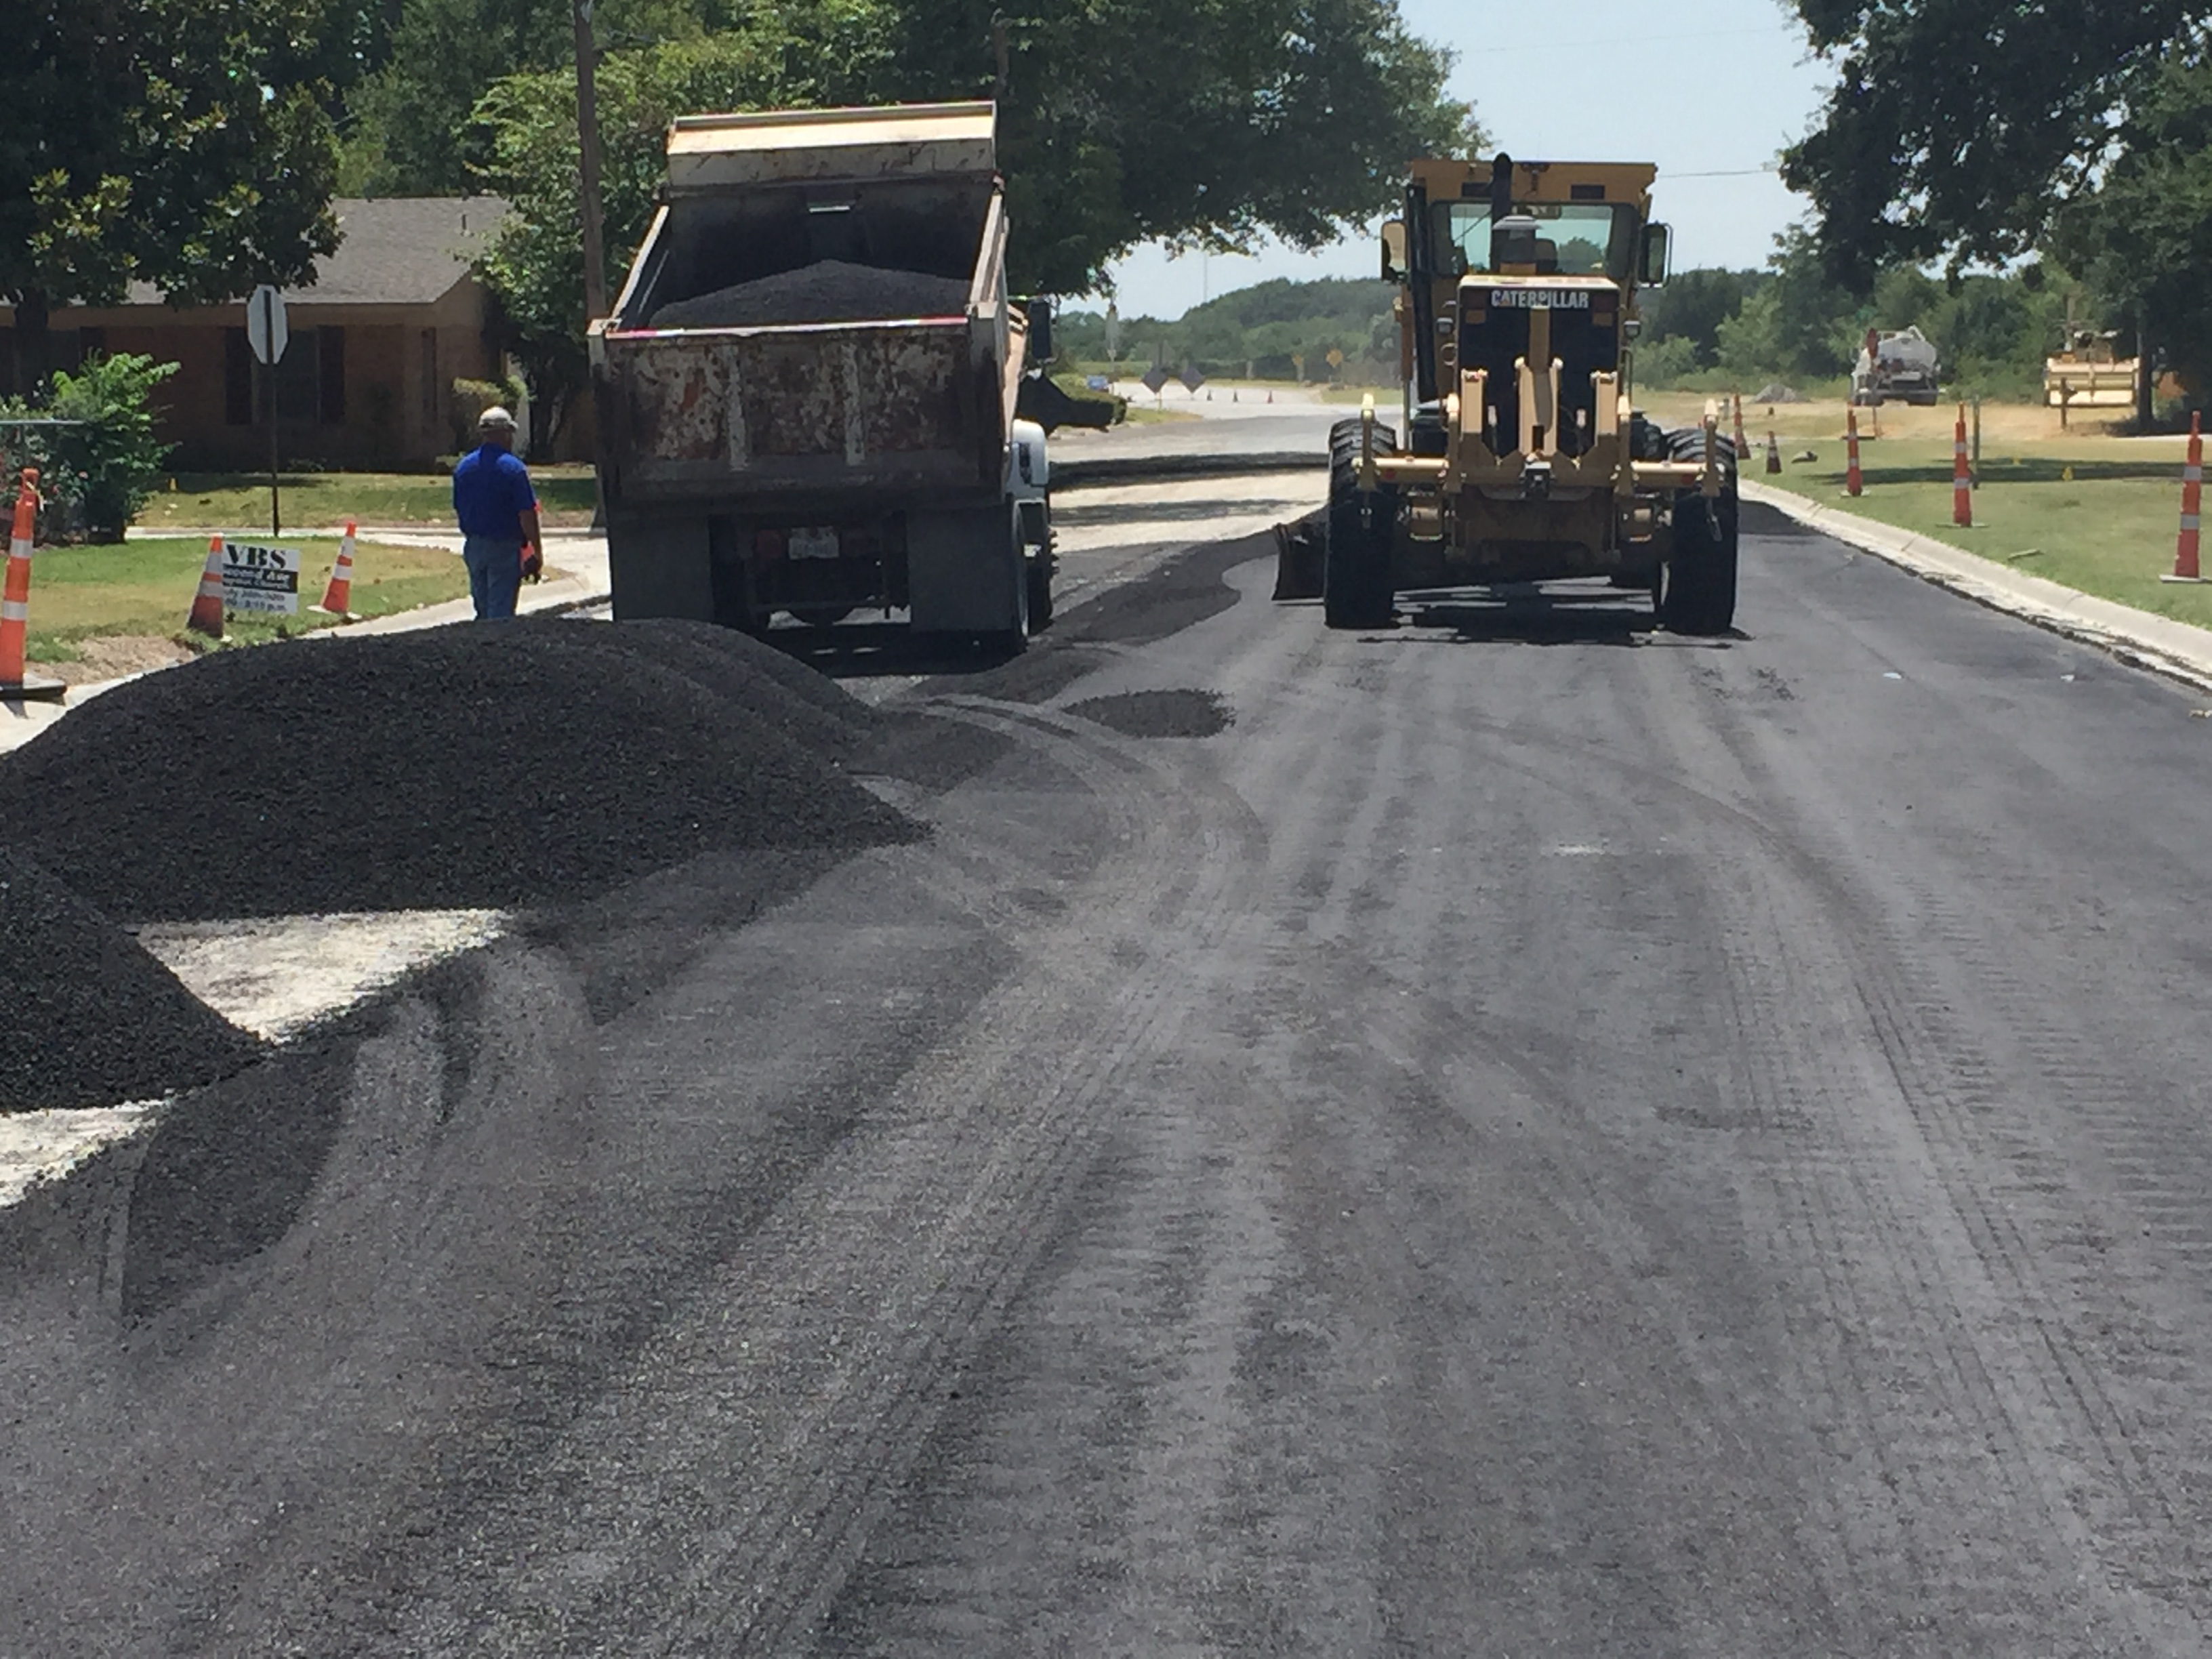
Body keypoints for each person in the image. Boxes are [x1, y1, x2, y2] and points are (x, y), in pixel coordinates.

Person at [450, 406, 545, 619]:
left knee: (482, 608)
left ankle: (481, 647)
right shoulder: (513, 469)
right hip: (505, 546)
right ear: (504, 433)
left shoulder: (463, 468)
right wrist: (536, 551)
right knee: (500, 611)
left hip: (474, 546)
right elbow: (526, 513)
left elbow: (459, 507)